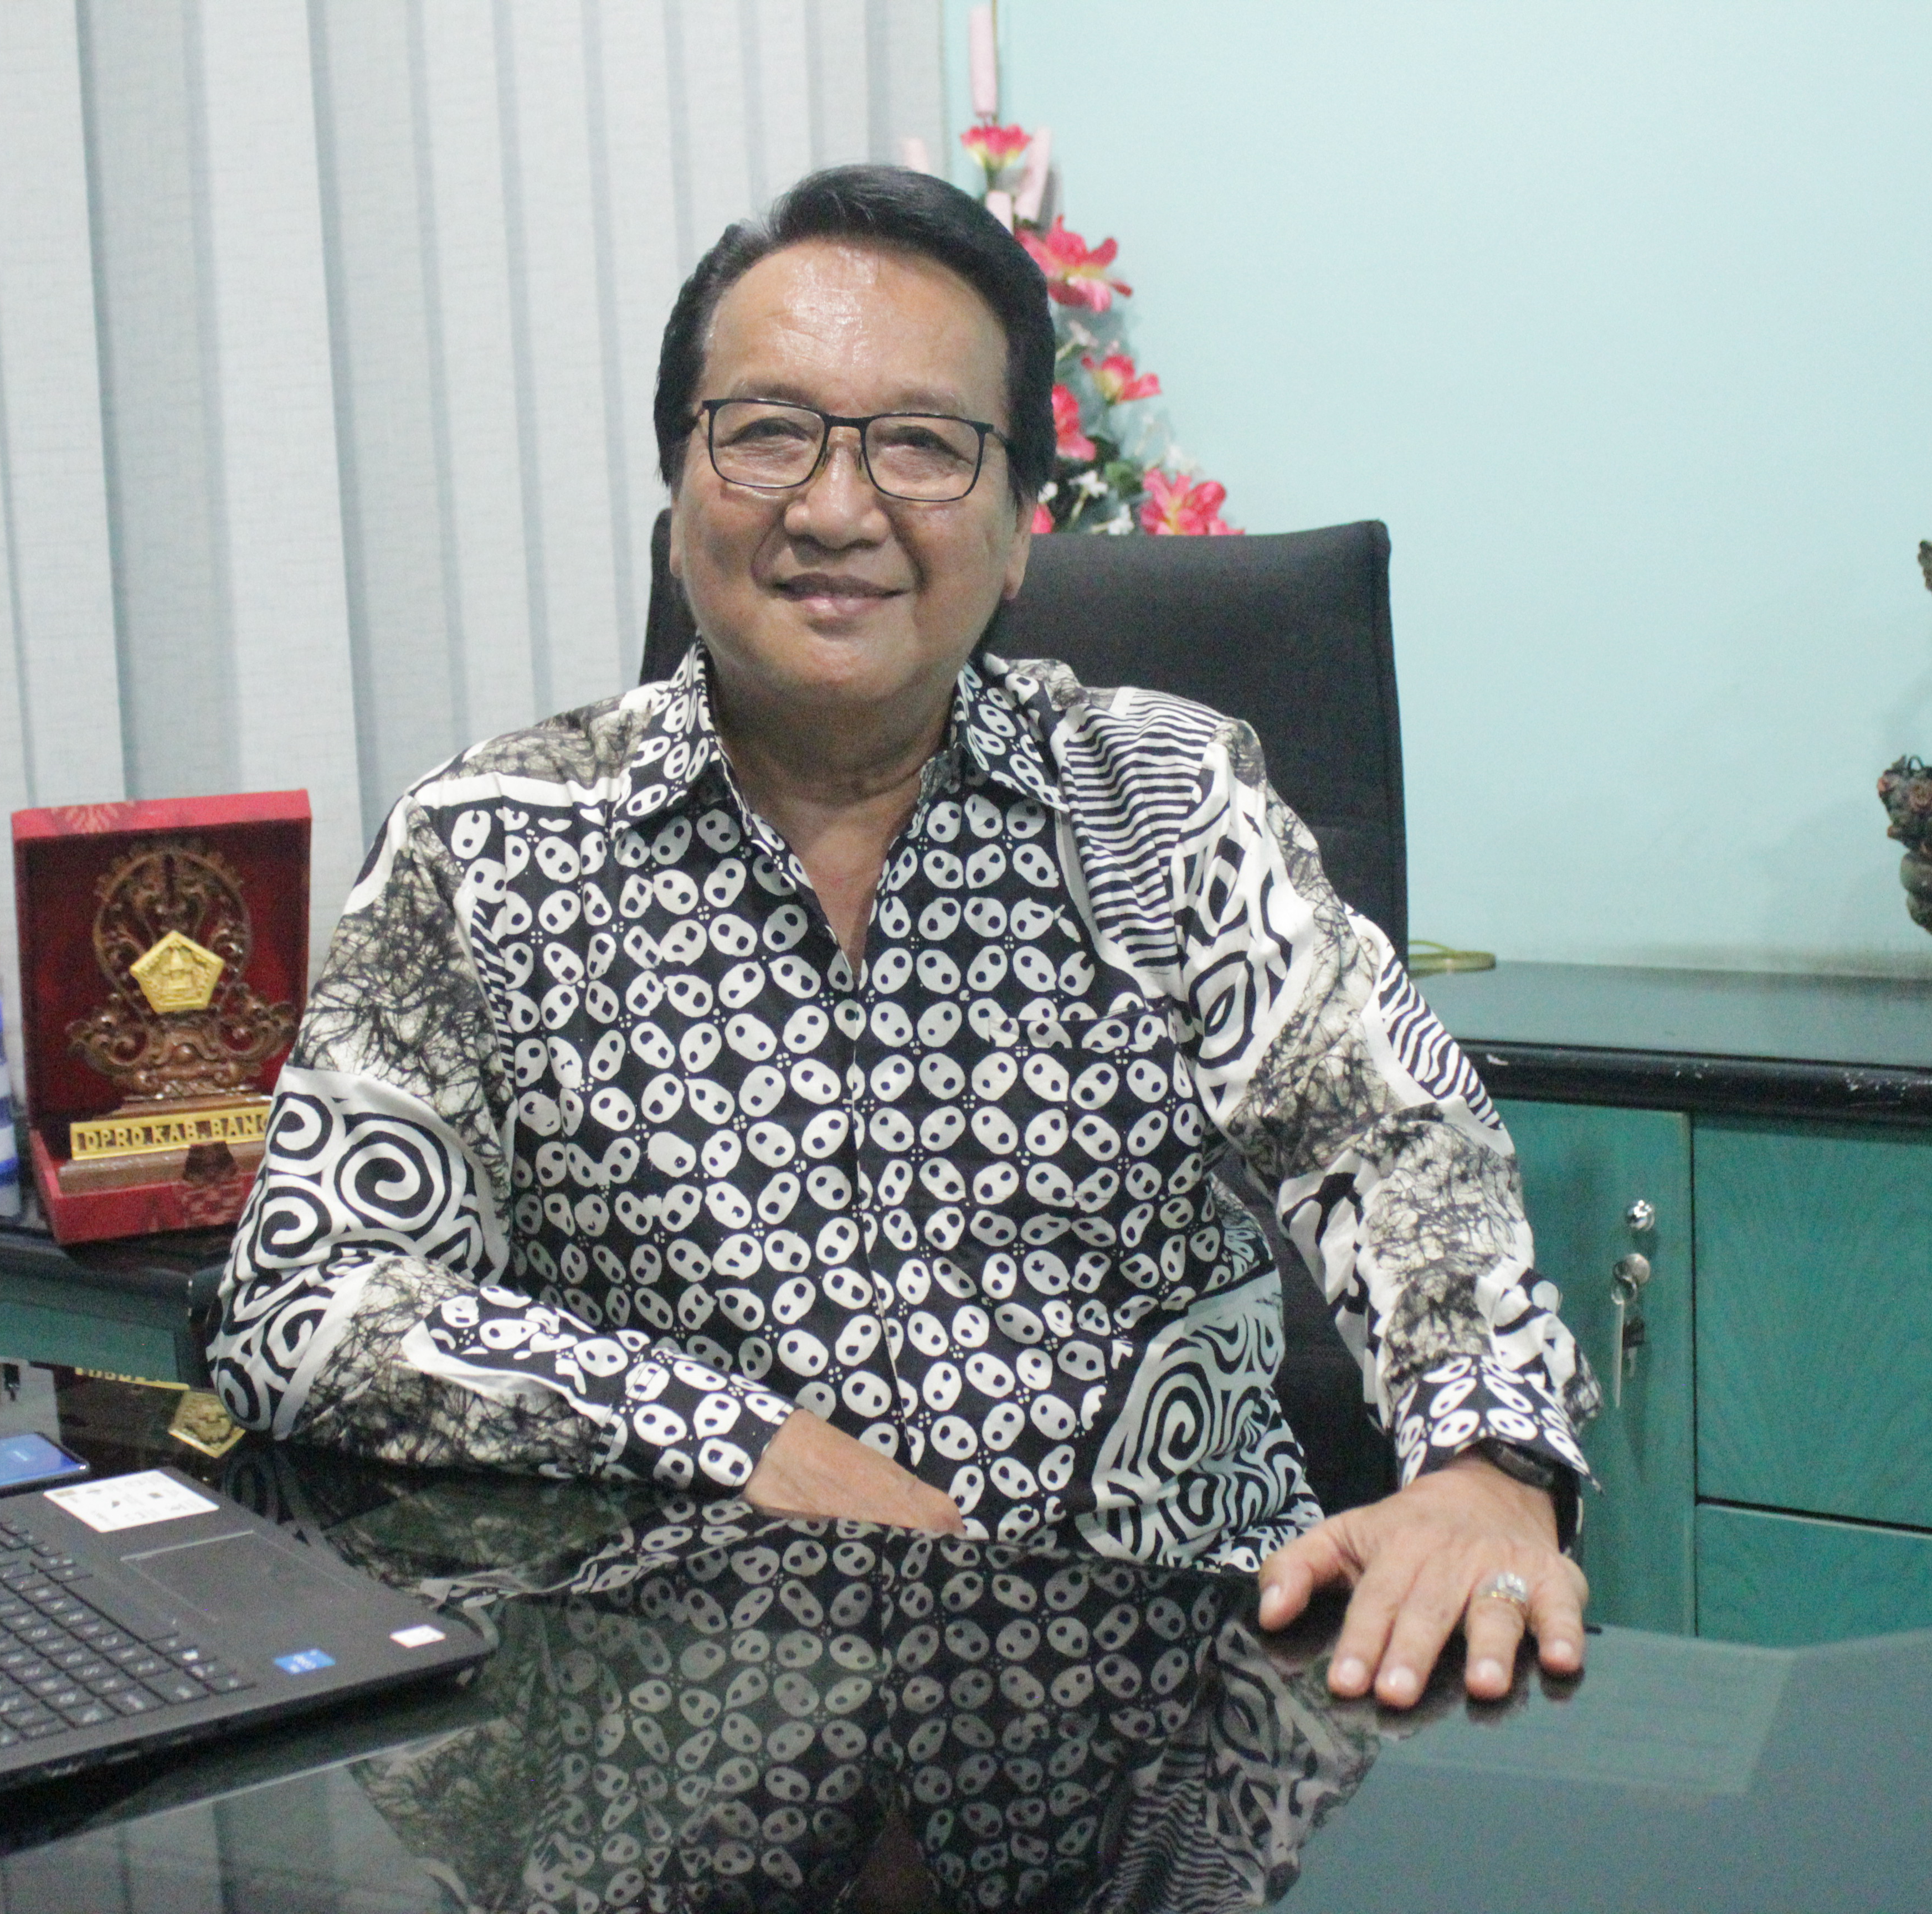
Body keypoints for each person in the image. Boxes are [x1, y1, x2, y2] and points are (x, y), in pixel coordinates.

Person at [207, 164, 1595, 1710]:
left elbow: (1396, 1143)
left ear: (1018, 532)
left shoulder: (1164, 803)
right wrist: (732, 1437)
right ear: (677, 501)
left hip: (1161, 1707)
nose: (836, 508)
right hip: (676, 1711)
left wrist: (1488, 1464)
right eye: (768, 432)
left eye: (924, 445)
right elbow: (303, 1299)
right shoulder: (484, 849)